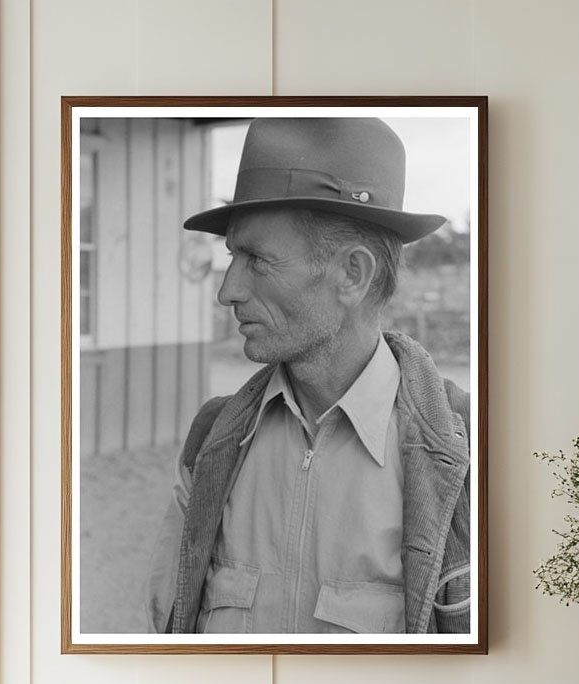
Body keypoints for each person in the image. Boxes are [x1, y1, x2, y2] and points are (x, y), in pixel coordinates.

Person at [146, 117, 471, 635]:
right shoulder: (212, 442)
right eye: (233, 256)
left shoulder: (468, 459)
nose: (227, 290)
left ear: (352, 274)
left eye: (257, 259)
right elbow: (164, 640)